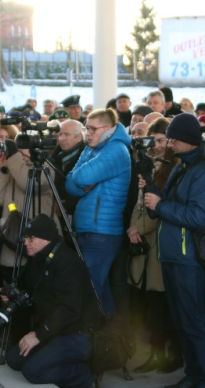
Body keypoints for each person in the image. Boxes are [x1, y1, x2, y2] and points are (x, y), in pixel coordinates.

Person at [142, 113, 205, 388]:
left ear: (189, 141)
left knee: (195, 323)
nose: (170, 144)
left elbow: (198, 216)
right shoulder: (181, 167)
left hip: (189, 258)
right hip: (173, 254)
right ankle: (194, 376)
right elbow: (169, 203)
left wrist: (159, 205)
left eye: (174, 139)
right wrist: (152, 192)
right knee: (182, 323)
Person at [4, 214, 102, 388]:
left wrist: (39, 335)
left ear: (46, 239)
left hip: (78, 333)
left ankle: (85, 375)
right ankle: (52, 358)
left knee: (32, 371)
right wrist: (11, 294)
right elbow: (26, 286)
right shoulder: (38, 259)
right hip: (56, 329)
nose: (26, 242)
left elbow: (69, 309)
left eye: (31, 238)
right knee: (13, 359)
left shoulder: (67, 262)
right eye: (26, 238)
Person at [127, 117, 183, 374]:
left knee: (164, 305)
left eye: (163, 140)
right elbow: (139, 201)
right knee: (153, 302)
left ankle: (170, 354)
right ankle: (157, 351)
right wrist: (132, 226)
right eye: (155, 140)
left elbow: (159, 207)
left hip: (161, 242)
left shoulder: (175, 167)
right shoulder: (147, 164)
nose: (158, 145)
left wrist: (139, 227)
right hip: (145, 241)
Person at [66, 108, 131, 316]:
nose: (88, 133)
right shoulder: (93, 148)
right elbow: (70, 184)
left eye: (93, 129)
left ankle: (107, 337)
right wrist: (82, 181)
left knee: (93, 288)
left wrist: (82, 181)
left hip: (103, 232)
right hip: (88, 227)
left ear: (108, 129)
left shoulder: (116, 150)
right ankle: (109, 338)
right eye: (87, 128)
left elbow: (82, 178)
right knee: (96, 288)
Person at [49, 120, 86, 217]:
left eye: (67, 135)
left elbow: (87, 188)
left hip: (77, 213)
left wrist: (67, 204)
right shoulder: (52, 158)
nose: (62, 139)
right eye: (60, 134)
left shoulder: (87, 158)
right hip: (52, 210)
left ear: (79, 137)